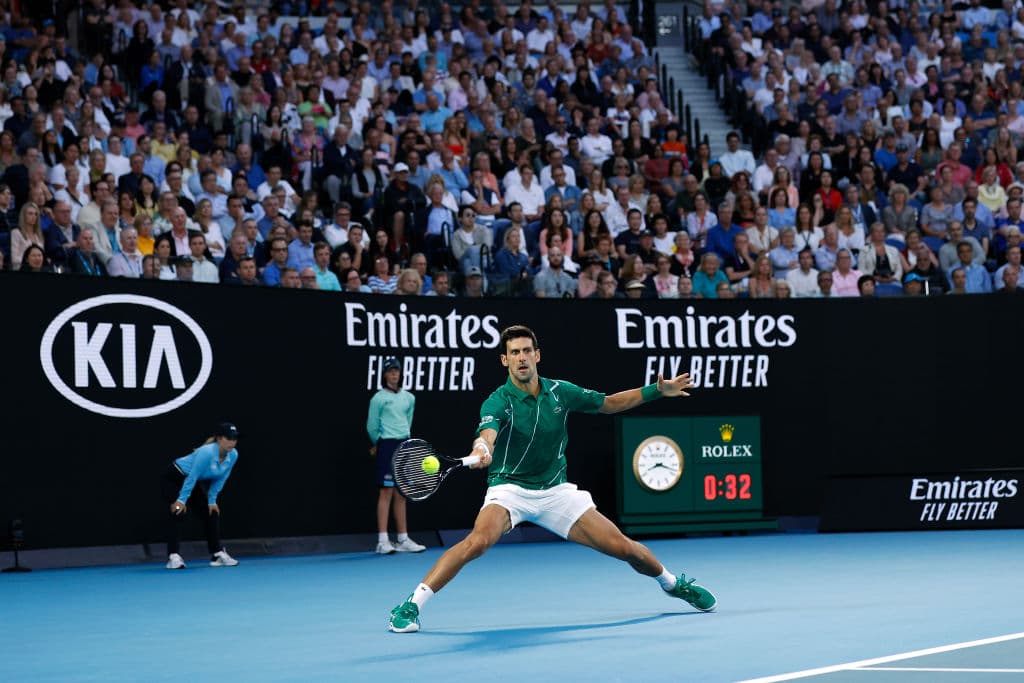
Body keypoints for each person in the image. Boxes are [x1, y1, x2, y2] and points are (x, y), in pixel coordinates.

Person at [386, 325, 717, 633]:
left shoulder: (561, 392)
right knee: (478, 541)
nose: (521, 357)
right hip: (509, 489)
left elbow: (610, 403)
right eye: (514, 352)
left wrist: (657, 391)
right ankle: (412, 605)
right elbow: (487, 433)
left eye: (526, 350)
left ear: (537, 355)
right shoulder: (498, 401)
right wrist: (482, 447)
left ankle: (674, 585)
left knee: (624, 548)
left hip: (556, 492)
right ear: (505, 360)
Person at [367, 358, 427, 555]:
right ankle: (382, 541)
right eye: (390, 371)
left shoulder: (409, 398)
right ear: (385, 374)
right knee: (386, 492)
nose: (394, 374)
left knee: (402, 492)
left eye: (397, 371)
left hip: (403, 444)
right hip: (387, 444)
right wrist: (379, 443)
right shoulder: (378, 399)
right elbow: (372, 425)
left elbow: (407, 421)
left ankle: (402, 539)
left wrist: (405, 441)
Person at [162, 422, 241, 570]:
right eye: (228, 438)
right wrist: (181, 501)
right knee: (178, 511)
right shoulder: (207, 453)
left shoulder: (234, 455)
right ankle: (173, 556)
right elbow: (192, 477)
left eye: (234, 438)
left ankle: (217, 554)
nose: (232, 442)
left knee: (211, 512)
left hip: (191, 481)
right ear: (219, 439)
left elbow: (221, 479)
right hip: (173, 478)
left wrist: (212, 501)